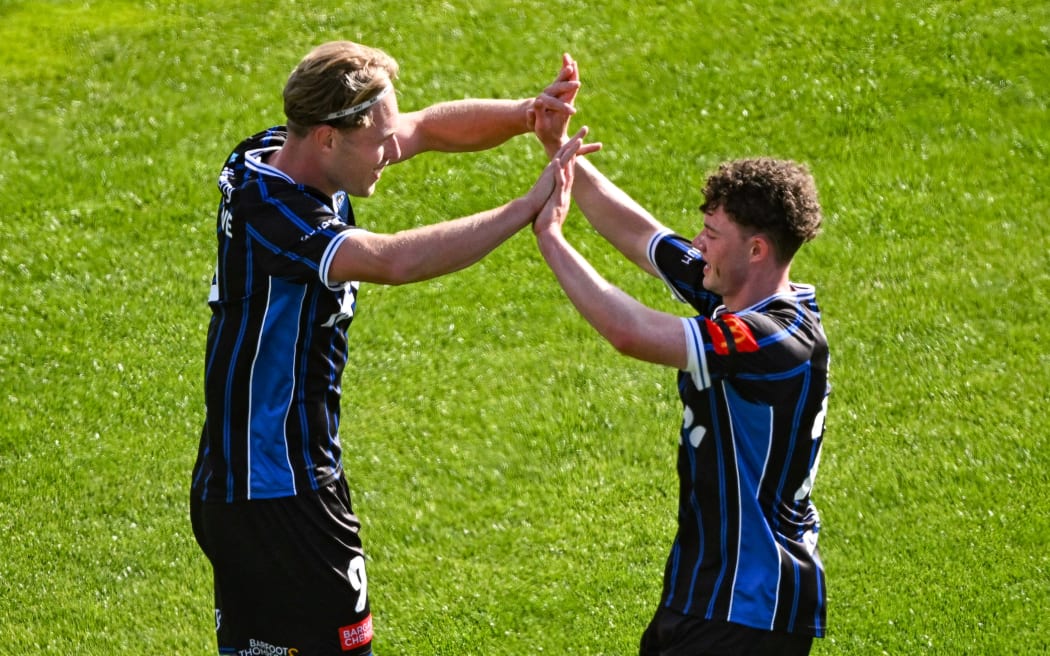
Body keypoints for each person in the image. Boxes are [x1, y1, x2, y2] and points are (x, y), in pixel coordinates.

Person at [190, 41, 595, 656]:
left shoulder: (282, 151)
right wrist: (527, 207)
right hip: (281, 489)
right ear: (328, 137)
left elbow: (425, 127)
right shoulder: (272, 209)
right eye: (379, 142)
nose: (393, 148)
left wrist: (524, 114)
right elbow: (392, 260)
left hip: (250, 480)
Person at [532, 55, 829, 656]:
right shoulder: (737, 293)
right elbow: (639, 234)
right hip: (704, 594)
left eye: (711, 234)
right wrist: (558, 149)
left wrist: (551, 239)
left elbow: (631, 333)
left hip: (750, 608)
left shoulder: (773, 338)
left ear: (757, 248)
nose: (698, 243)